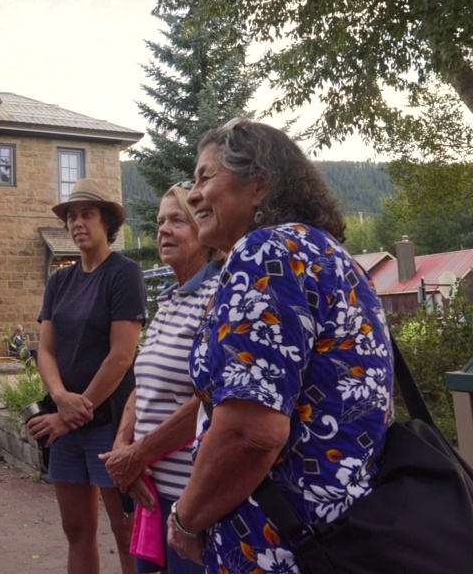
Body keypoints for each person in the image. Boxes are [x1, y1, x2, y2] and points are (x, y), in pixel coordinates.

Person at [166, 119, 394, 573]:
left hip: (278, 546)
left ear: (260, 186)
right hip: (337, 535)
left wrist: (186, 520)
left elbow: (250, 432)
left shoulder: (266, 253)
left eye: (205, 177)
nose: (192, 196)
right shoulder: (326, 253)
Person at [100, 183, 221, 574]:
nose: (163, 230)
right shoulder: (168, 301)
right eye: (159, 222)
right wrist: (123, 447)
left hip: (194, 498)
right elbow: (143, 382)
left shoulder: (219, 297)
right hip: (152, 491)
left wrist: (138, 454)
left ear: (204, 230)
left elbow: (210, 398)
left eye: (177, 220)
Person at [28, 179, 148, 574]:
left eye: (87, 214)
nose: (78, 223)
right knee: (76, 529)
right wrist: (60, 396)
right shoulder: (60, 280)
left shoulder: (123, 273)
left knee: (125, 526)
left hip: (110, 422)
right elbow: (45, 349)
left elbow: (120, 356)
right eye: (72, 216)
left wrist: (69, 413)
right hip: (68, 428)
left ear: (107, 221)